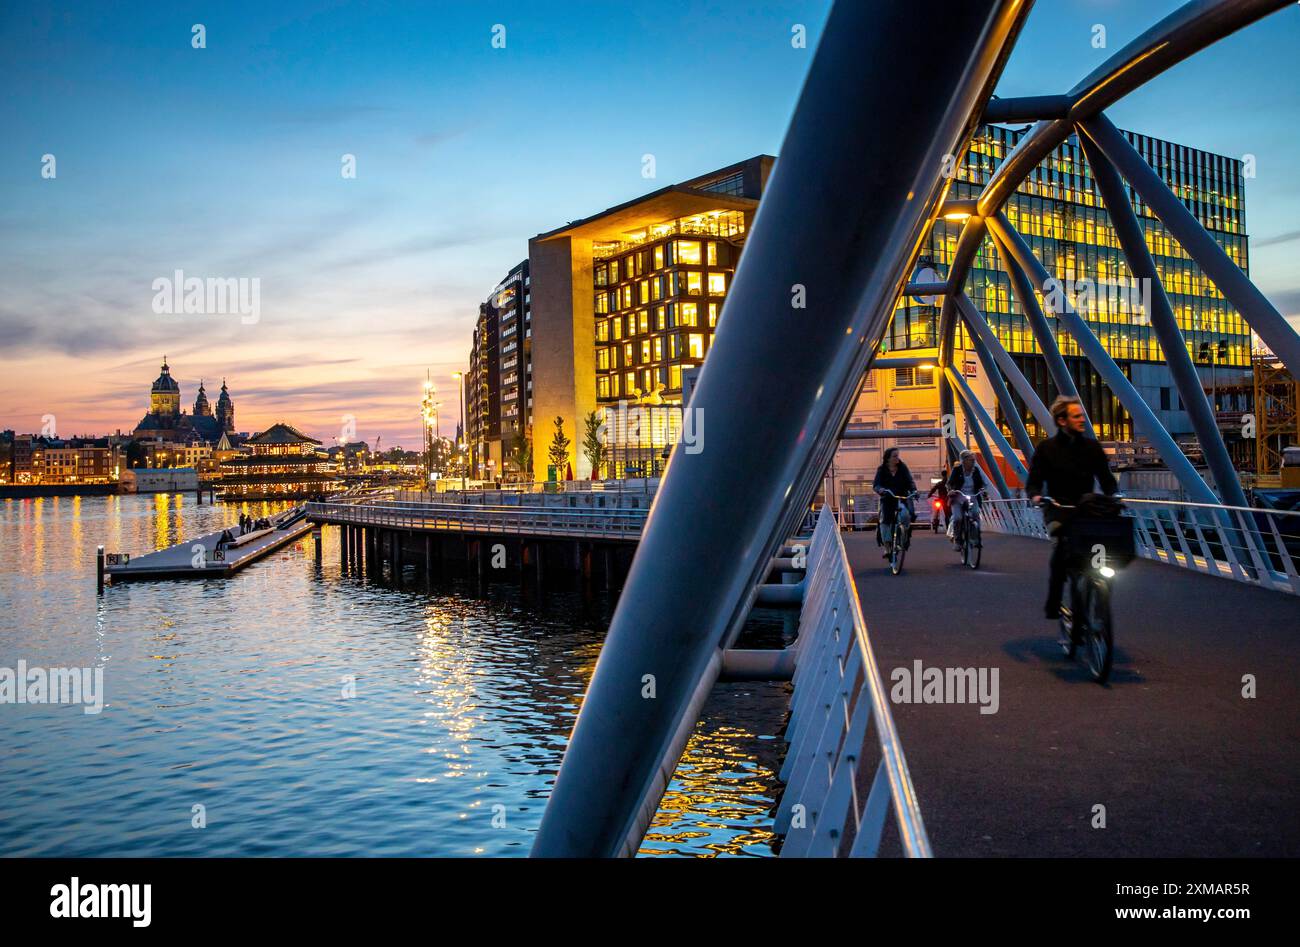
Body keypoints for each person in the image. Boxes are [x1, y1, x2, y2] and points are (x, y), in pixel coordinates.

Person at [1026, 395, 1118, 619]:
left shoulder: (1092, 447)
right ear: (1062, 421)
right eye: (1076, 416)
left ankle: (1099, 588)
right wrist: (1036, 496)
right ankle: (1054, 602)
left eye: (1082, 416)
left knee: (1102, 545)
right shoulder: (1047, 449)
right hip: (1059, 508)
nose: (1082, 420)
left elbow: (1106, 478)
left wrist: (1114, 495)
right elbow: (1034, 480)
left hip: (1087, 507)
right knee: (1062, 550)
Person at [873, 447, 917, 558]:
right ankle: (887, 546)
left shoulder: (903, 468)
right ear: (888, 458)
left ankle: (904, 536)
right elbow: (876, 484)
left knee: (906, 515)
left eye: (898, 455)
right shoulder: (881, 470)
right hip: (888, 498)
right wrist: (880, 490)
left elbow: (910, 481)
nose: (897, 458)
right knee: (884, 522)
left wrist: (913, 490)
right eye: (895, 456)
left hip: (901, 497)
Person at [946, 450, 988, 544]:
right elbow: (950, 483)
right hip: (958, 497)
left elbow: (983, 483)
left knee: (976, 514)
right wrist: (951, 490)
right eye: (970, 460)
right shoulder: (957, 470)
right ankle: (957, 538)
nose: (973, 462)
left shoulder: (976, 470)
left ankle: (975, 537)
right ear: (963, 461)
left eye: (974, 460)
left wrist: (983, 490)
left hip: (972, 497)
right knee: (958, 518)